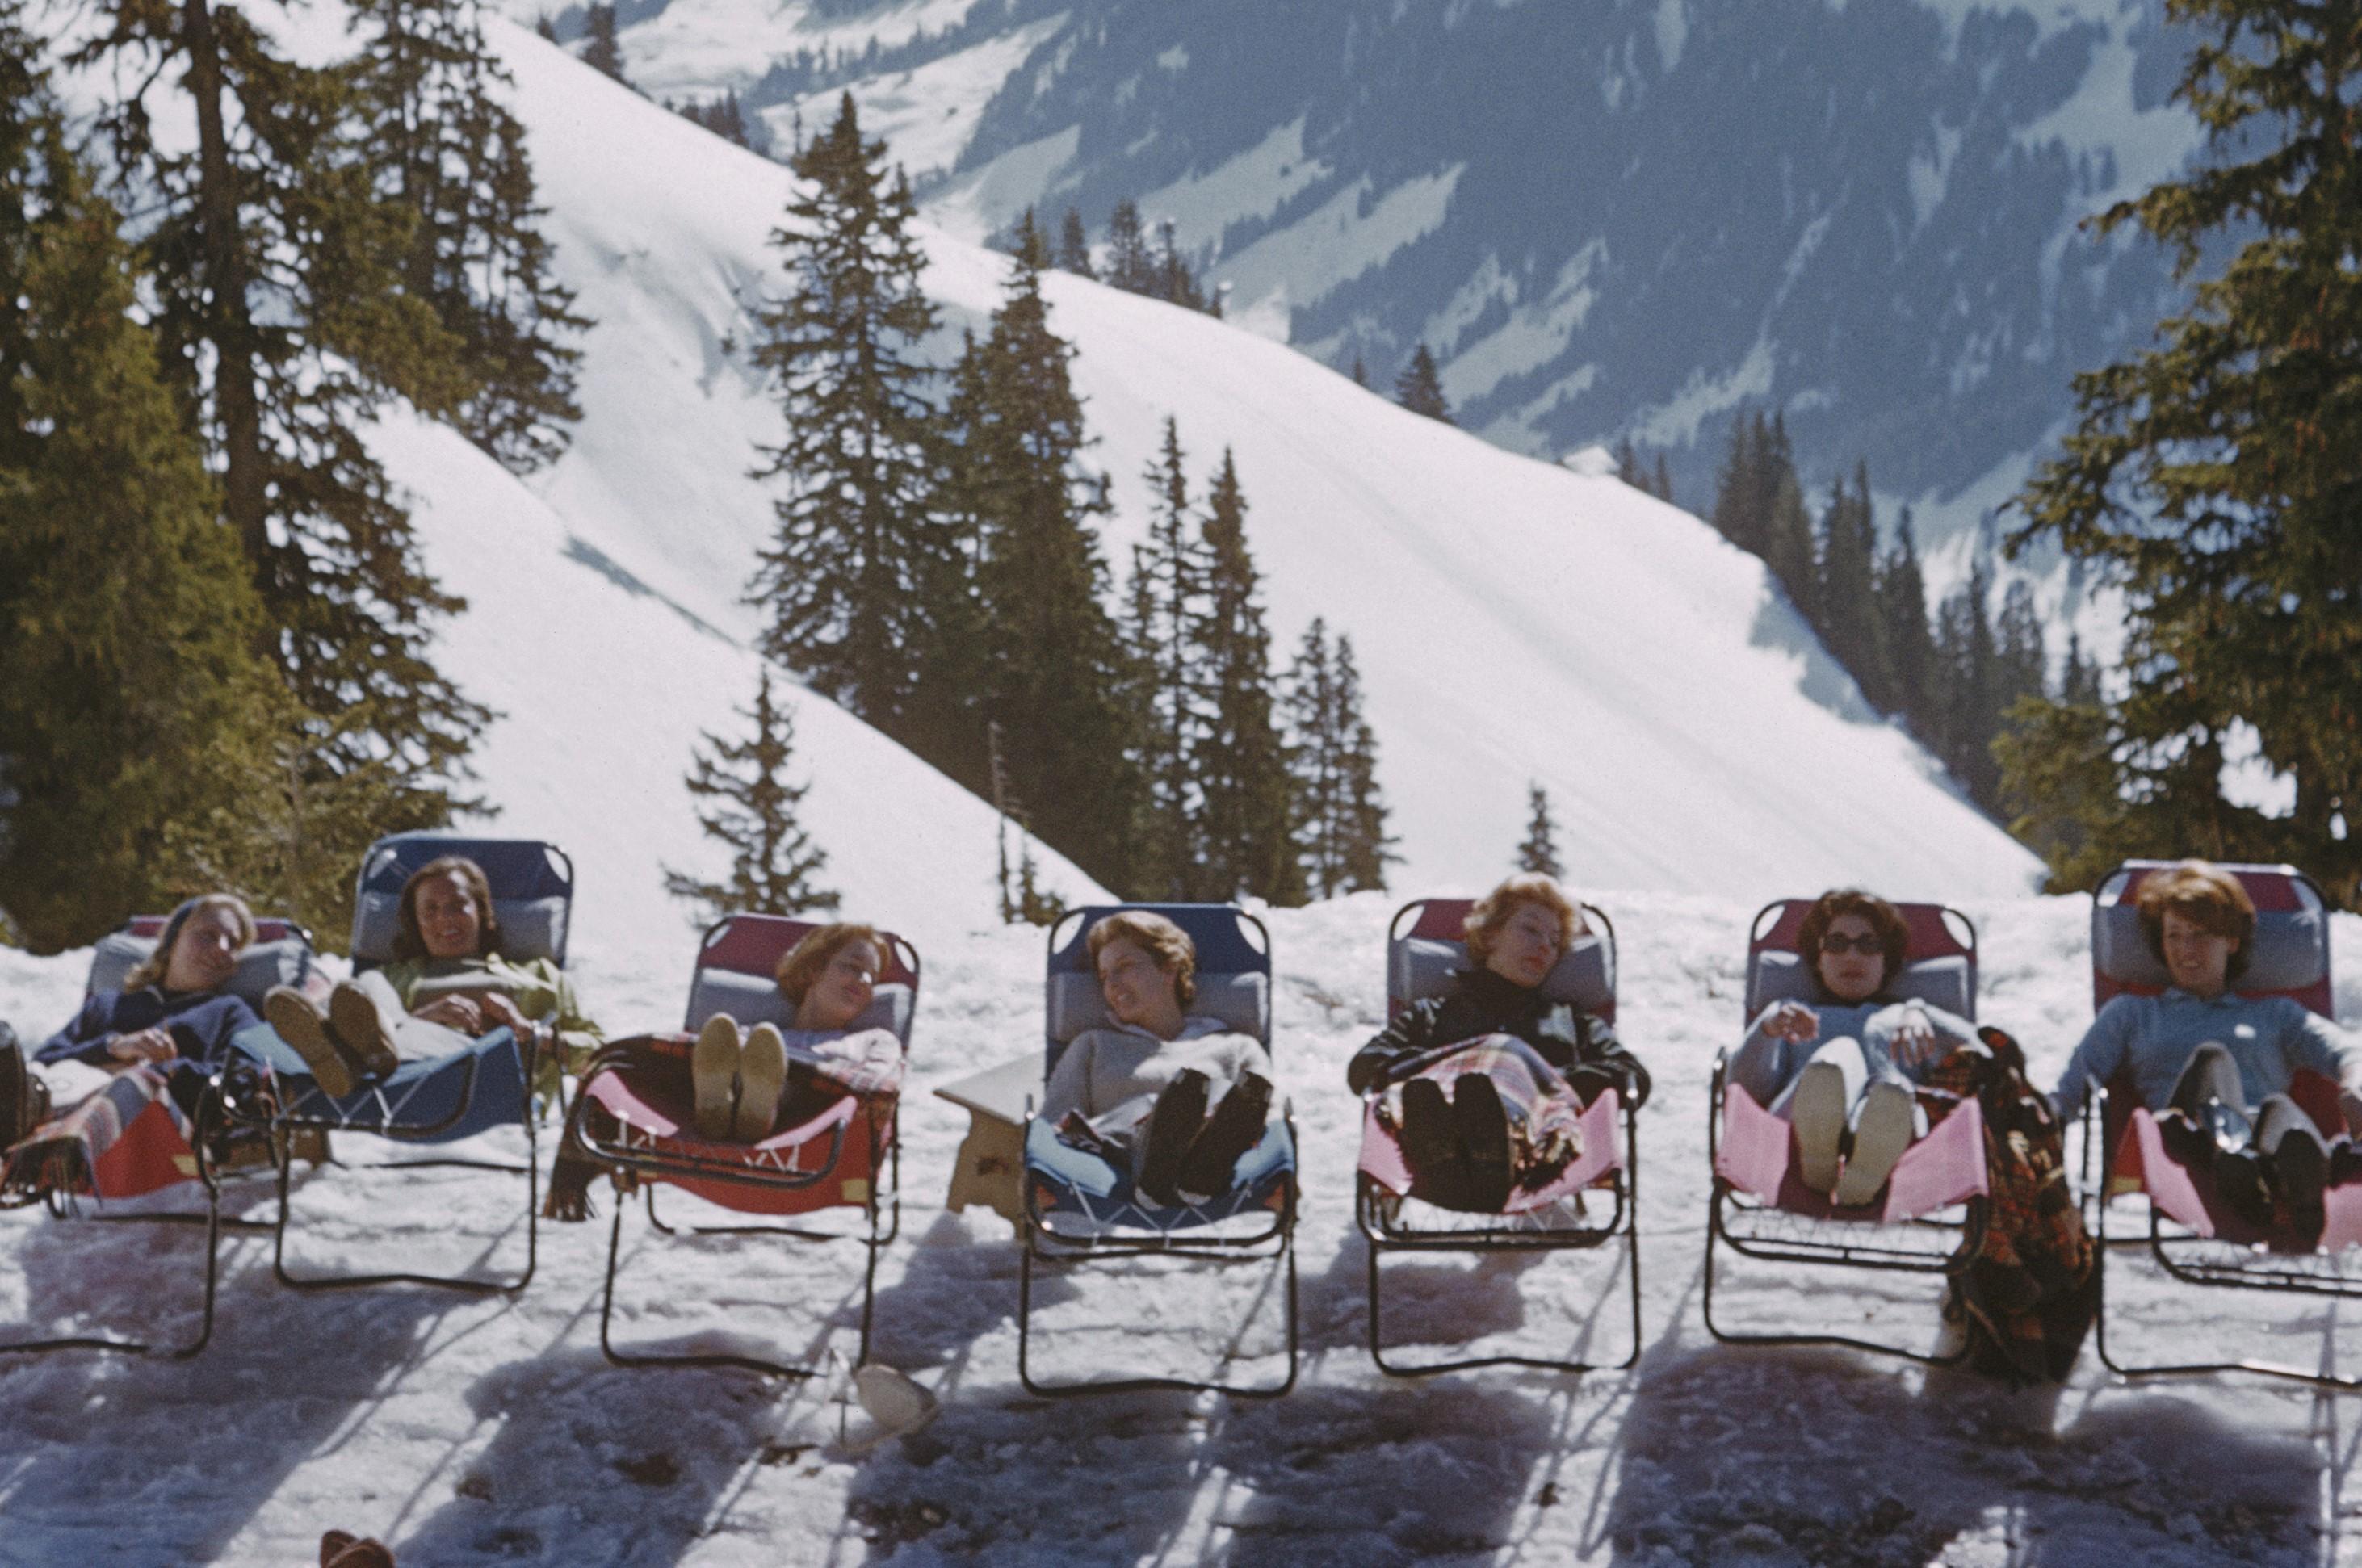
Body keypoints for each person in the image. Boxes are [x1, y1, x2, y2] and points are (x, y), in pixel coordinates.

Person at [2053, 858, 2362, 1236]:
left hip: (2264, 1144)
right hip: (2183, 1145)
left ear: (2231, 941)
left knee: (2281, 1111)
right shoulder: (2133, 1013)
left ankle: (2295, 1187)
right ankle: (2239, 1164)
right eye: (2174, 936)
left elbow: (2347, 1051)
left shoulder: (2275, 1014)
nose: (2186, 950)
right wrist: (2047, 1114)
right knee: (2212, 1061)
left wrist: (2355, 1083)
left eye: (2199, 935)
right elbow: (2077, 1080)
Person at [1349, 873, 1650, 1212]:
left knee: (1508, 1055)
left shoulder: (1571, 1020)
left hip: (1538, 1135)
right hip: (1444, 1113)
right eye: (1531, 930)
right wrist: (1443, 1065)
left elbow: (1632, 1076)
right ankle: (1459, 1148)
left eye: (1554, 942)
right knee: (1456, 1083)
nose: (1544, 947)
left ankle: (1487, 1151)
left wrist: (1542, 1079)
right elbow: (1365, 1065)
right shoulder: (1433, 1013)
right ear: (1491, 935)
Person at [265, 856, 599, 1099]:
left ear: (482, 912)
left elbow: (597, 1050)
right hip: (399, 1079)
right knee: (366, 985)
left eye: (458, 905)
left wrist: (528, 1031)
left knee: (374, 1001)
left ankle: (356, 1056)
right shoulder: (391, 977)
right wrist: (420, 1017)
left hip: (485, 1076)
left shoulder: (539, 976)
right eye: (431, 910)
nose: (445, 919)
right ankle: (371, 1048)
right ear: (416, 921)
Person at [1728, 887, 1974, 1206]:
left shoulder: (1908, 1017)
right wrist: (1766, 1031)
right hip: (1794, 1132)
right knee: (1837, 1058)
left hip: (1899, 1136)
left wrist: (1925, 1015)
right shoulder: (1791, 1014)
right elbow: (1745, 1091)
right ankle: (1819, 1156)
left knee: (1892, 1095)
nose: (1852, 956)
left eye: (1869, 945)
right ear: (1818, 959)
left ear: (1887, 961)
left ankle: (1867, 1163)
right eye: (1837, 944)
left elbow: (1985, 1057)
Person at [4, 895, 263, 1193]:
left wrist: (165, 1069)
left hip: (165, 1142)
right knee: (17, 1069)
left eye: (234, 944)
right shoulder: (109, 1005)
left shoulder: (231, 1011)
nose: (222, 949)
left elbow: (244, 1078)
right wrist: (113, 1047)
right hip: (63, 1110)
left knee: (138, 1078)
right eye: (208, 935)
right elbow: (46, 1059)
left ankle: (55, 1156)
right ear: (173, 939)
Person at [1040, 910, 1276, 1208]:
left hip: (1215, 1165)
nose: (1111, 984)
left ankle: (1201, 1161)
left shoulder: (1236, 1046)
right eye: (1103, 976)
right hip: (1115, 1158)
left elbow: (1273, 1122)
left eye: (1124, 966)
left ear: (1168, 969)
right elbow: (1055, 1124)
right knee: (1171, 1106)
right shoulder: (1093, 1045)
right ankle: (1159, 1157)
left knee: (1228, 1098)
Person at [688, 922, 905, 1142]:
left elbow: (879, 1086)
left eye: (873, 977)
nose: (865, 982)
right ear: (814, 970)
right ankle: (720, 1108)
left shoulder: (875, 1040)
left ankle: (760, 1110)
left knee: (771, 1071)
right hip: (745, 1095)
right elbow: (711, 1053)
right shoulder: (762, 1037)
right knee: (741, 1049)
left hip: (820, 1129)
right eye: (853, 967)